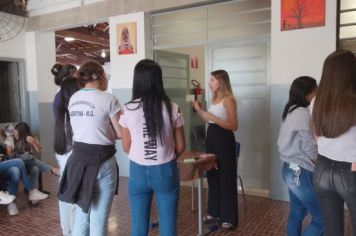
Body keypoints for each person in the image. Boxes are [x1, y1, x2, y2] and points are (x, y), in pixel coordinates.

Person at [119, 59, 185, 236]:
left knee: (139, 227)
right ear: (158, 79)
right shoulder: (173, 107)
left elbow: (126, 146)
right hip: (166, 170)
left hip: (138, 172)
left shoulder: (127, 109)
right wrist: (166, 156)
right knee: (168, 226)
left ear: (137, 80)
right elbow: (181, 146)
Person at [58, 61, 121, 236]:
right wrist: (106, 130)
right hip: (102, 161)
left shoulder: (74, 99)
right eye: (106, 76)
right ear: (100, 76)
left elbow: (83, 129)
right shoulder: (108, 99)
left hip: (78, 161)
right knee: (98, 219)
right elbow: (121, 132)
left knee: (82, 214)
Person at [311, 50, 356, 235]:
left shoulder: (316, 100)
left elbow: (316, 135)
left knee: (332, 230)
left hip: (322, 169)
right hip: (351, 170)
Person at [192, 70, 238, 232]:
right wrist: (199, 110)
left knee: (226, 178)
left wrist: (216, 119)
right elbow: (209, 118)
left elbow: (233, 125)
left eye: (212, 80)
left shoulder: (228, 100)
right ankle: (214, 212)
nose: (209, 83)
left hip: (224, 141)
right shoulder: (214, 99)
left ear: (221, 82)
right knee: (212, 175)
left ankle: (228, 218)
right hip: (212, 139)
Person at [277, 76, 323, 235]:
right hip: (299, 172)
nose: (318, 93)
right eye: (316, 90)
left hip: (290, 169)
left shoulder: (290, 109)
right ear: (307, 93)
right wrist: (319, 163)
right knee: (322, 219)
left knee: (297, 213)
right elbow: (309, 145)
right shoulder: (302, 113)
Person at [54, 77, 80, 235]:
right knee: (76, 202)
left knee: (65, 201)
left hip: (62, 156)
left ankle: (67, 232)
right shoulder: (74, 111)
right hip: (73, 159)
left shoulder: (59, 110)